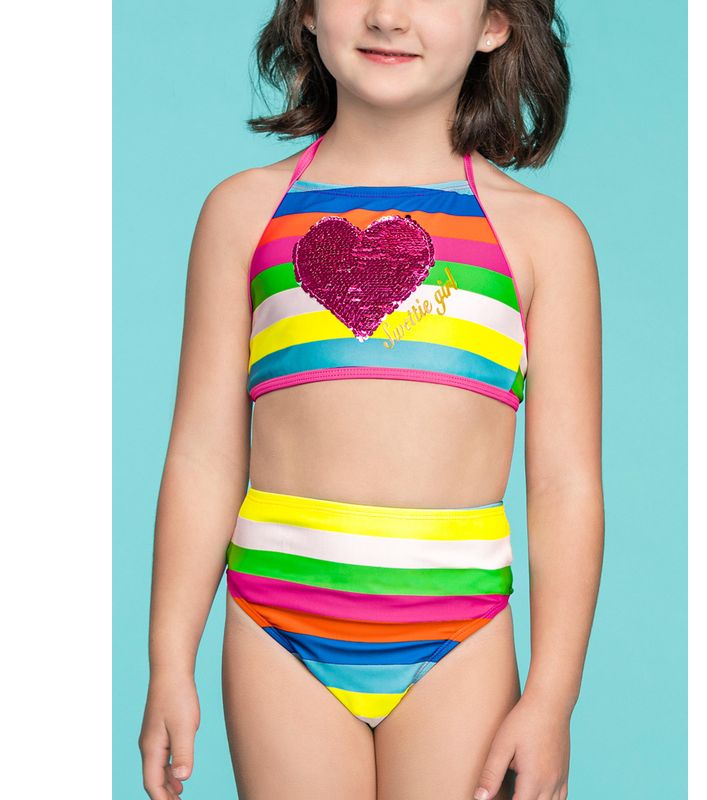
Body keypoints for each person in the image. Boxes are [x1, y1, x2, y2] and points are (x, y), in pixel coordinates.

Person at [138, 1, 604, 798]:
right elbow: (202, 455)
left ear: (495, 23)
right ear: (307, 11)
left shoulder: (539, 239)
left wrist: (553, 696)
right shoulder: (245, 216)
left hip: (457, 635)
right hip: (277, 627)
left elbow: (565, 486)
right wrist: (168, 662)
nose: (388, 16)